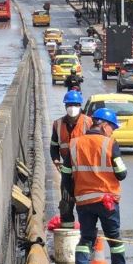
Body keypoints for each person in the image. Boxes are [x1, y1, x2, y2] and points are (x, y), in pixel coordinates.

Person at [63, 108, 128, 264]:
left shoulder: (75, 144)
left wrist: (75, 195)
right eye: (112, 128)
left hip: (84, 201)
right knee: (114, 240)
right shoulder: (110, 144)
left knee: (86, 240)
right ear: (104, 125)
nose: (113, 132)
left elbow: (66, 176)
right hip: (108, 201)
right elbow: (121, 174)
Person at [51, 91, 93, 230]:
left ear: (80, 106)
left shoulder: (88, 123)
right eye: (69, 104)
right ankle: (68, 234)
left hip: (84, 172)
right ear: (65, 106)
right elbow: (54, 146)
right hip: (66, 171)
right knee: (66, 204)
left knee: (86, 204)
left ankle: (86, 234)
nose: (72, 107)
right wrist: (56, 160)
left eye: (75, 105)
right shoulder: (57, 124)